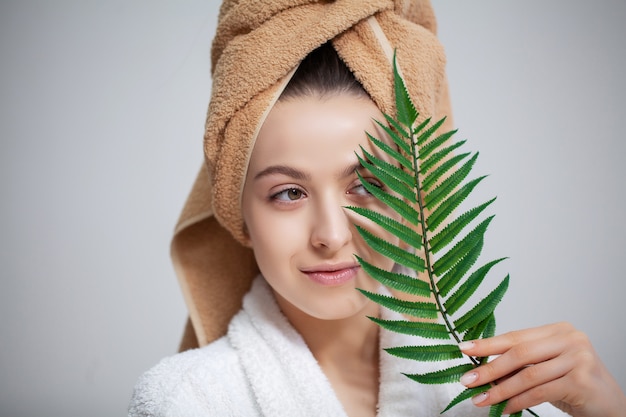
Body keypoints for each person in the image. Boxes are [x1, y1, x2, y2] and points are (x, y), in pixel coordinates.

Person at [129, 1, 626, 416]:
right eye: (288, 193)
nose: (331, 235)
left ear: (420, 194)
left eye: (366, 183)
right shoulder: (187, 401)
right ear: (237, 213)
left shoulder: (491, 391)